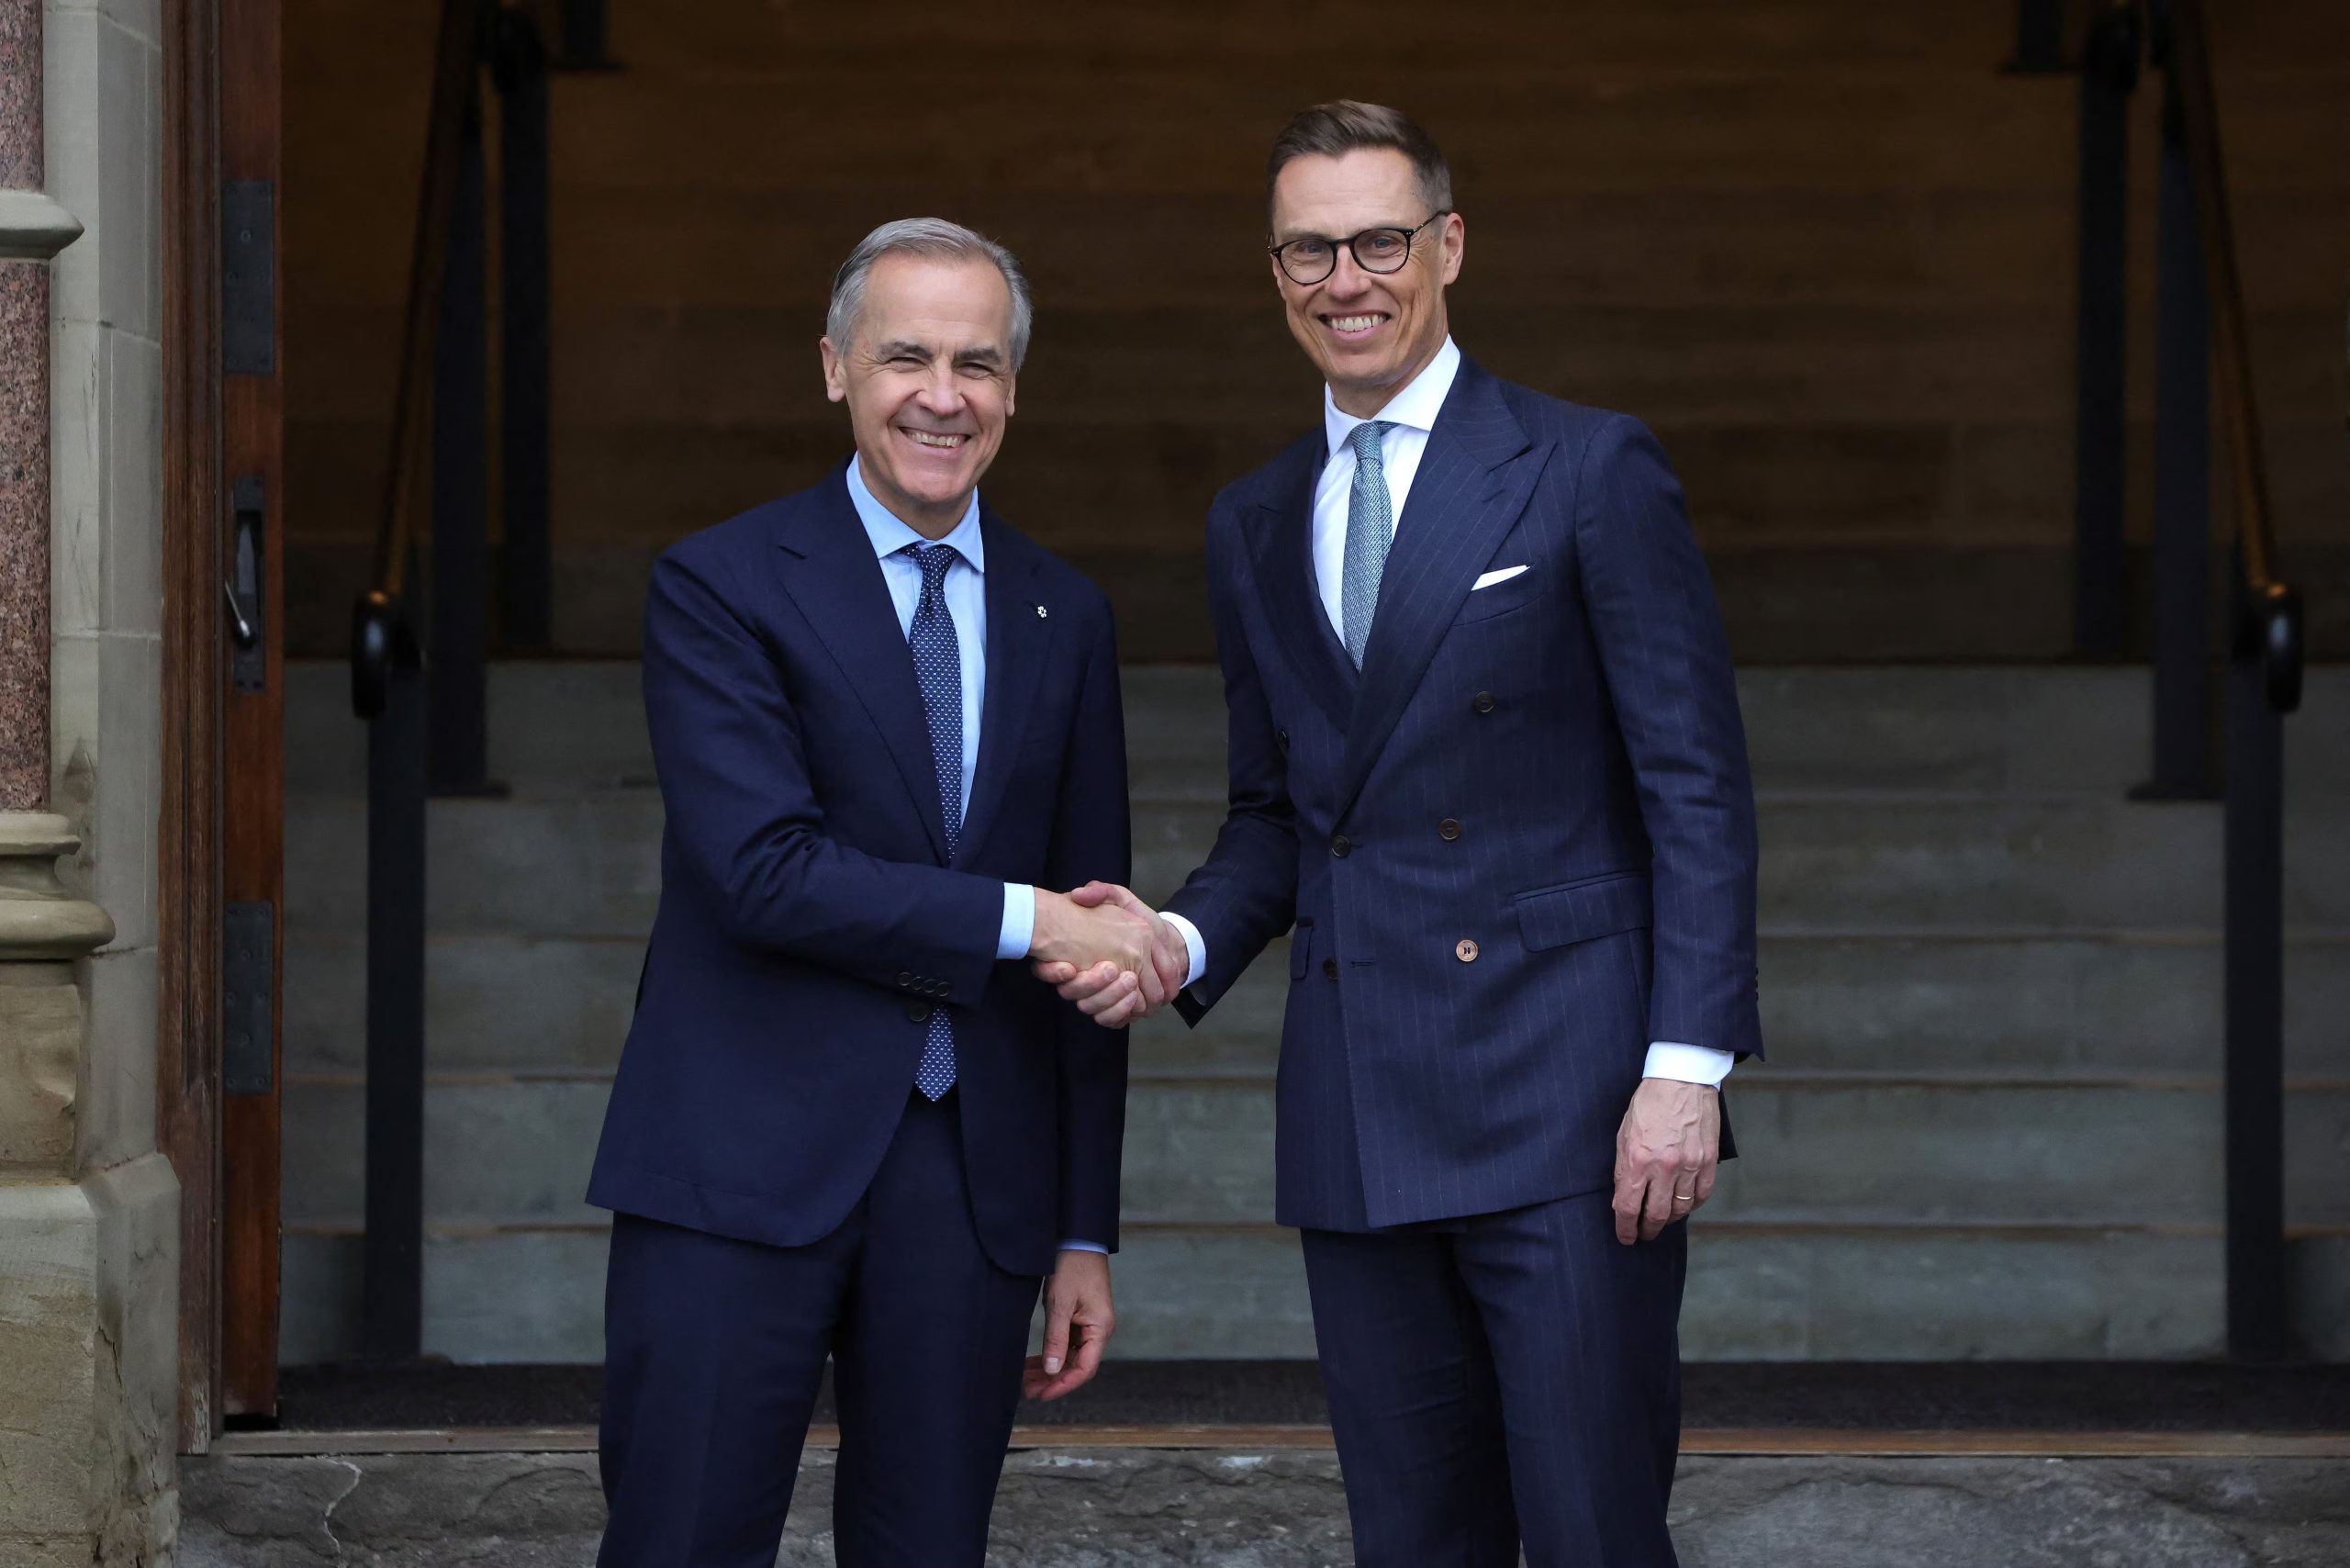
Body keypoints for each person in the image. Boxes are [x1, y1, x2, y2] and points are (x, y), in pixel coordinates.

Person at [1043, 103, 1762, 1565]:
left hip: (1568, 1101)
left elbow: (1696, 783)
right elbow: (1283, 814)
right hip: (1362, 1102)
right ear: (1275, 270)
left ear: (1446, 247)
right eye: (1308, 249)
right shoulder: (1253, 519)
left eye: (1378, 240)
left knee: (1588, 1532)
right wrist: (1176, 941)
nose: (1344, 279)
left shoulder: (1583, 465)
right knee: (1413, 1539)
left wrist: (1685, 1068)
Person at [588, 218, 1158, 1568]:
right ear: (834, 367)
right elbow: (764, 873)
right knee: (682, 1541)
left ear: (1015, 390)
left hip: (973, 1189)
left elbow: (1093, 919)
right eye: (907, 356)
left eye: (978, 362)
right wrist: (1031, 922)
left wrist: (1084, 1229)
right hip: (739, 1165)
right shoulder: (721, 584)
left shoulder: (1062, 613)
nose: (942, 396)